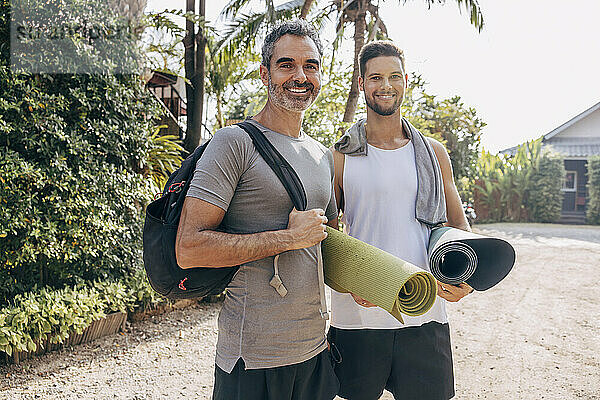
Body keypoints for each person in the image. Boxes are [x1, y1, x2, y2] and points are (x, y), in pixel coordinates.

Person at [175, 20, 339, 400]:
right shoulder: (234, 143)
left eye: (310, 66)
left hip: (315, 352)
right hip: (253, 360)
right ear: (265, 73)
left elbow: (327, 244)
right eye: (287, 65)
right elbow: (189, 248)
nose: (300, 76)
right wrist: (287, 238)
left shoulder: (322, 155)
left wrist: (374, 286)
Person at [328, 40, 474, 400]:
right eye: (375, 77)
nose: (386, 85)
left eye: (394, 76)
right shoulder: (341, 155)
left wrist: (465, 279)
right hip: (357, 319)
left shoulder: (434, 153)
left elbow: (459, 227)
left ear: (405, 80)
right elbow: (327, 236)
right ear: (361, 84)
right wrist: (350, 282)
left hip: (426, 315)